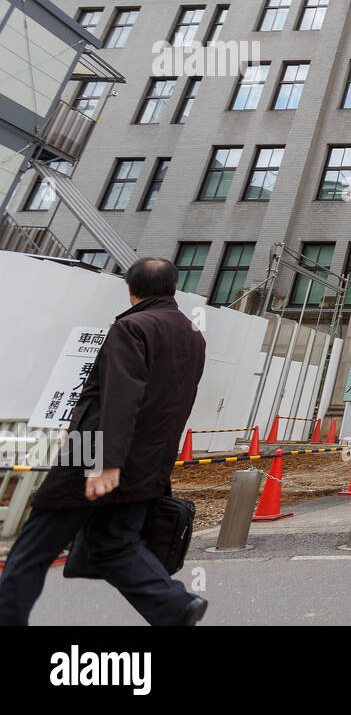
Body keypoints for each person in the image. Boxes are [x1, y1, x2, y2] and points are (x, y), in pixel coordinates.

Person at [0, 257, 208, 626]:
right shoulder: (193, 334)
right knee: (114, 544)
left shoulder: (132, 327)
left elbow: (118, 397)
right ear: (174, 288)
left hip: (92, 456)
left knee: (33, 548)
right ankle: (174, 605)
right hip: (148, 464)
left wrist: (103, 462)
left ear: (131, 290)